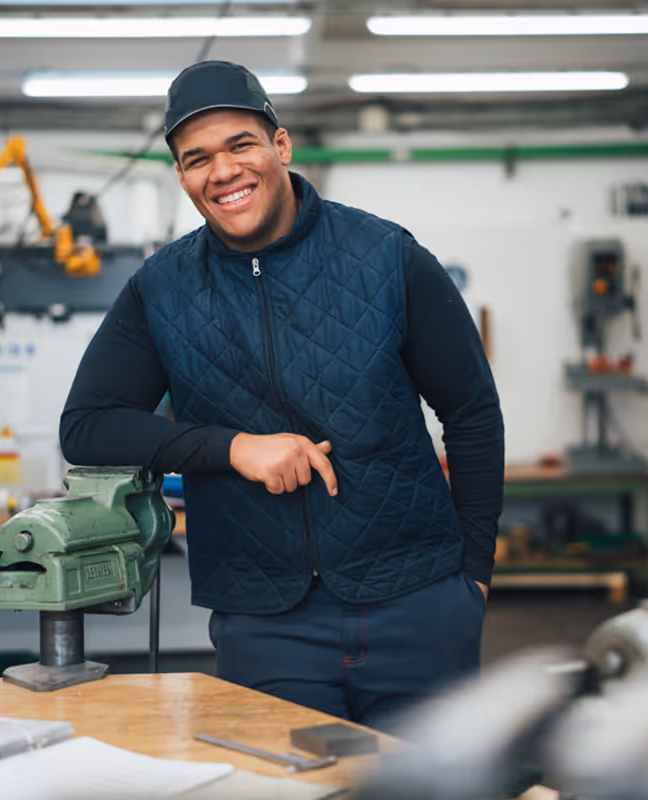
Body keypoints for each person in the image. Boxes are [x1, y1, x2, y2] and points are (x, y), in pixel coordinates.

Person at [60, 60, 504, 730]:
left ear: (281, 145)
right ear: (182, 176)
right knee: (286, 777)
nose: (222, 171)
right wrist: (232, 448)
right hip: (267, 621)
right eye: (197, 159)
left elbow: (471, 411)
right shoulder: (162, 288)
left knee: (429, 778)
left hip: (418, 600)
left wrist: (474, 574)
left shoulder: (386, 257)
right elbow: (88, 426)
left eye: (240, 145)